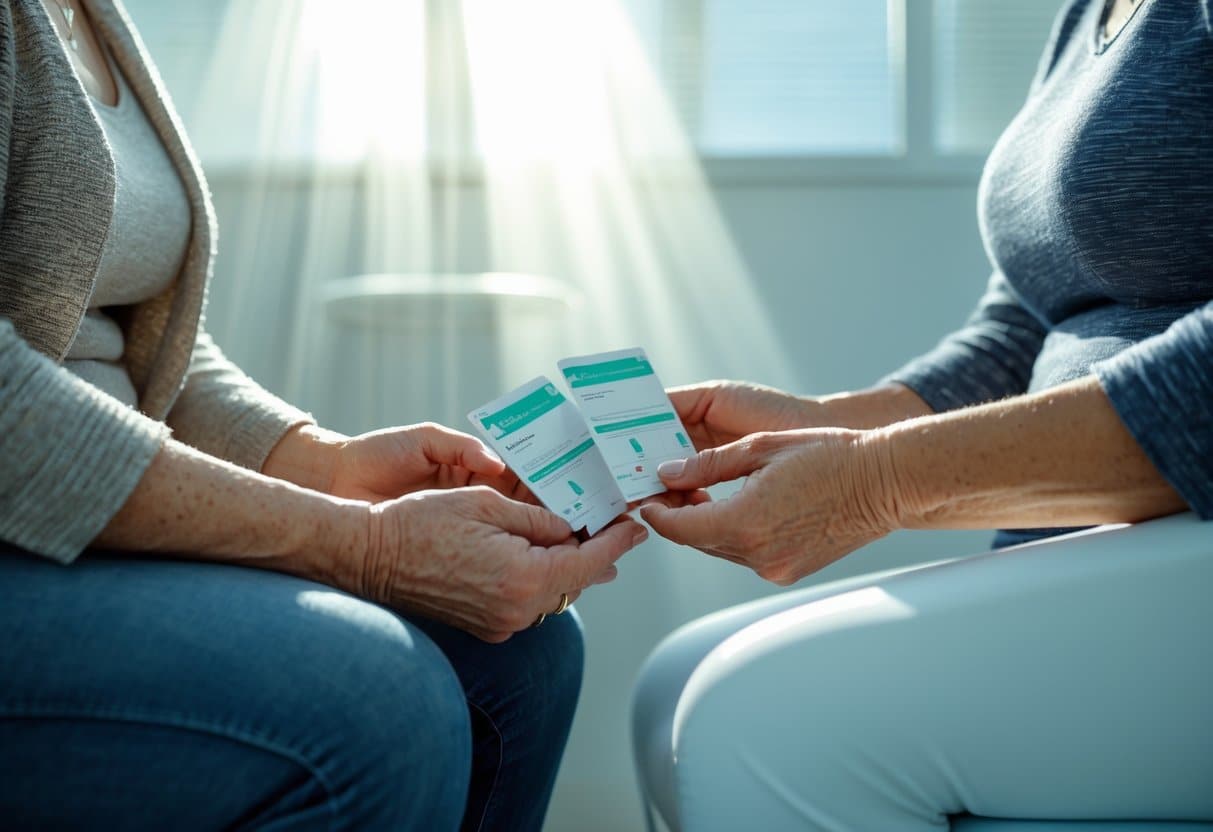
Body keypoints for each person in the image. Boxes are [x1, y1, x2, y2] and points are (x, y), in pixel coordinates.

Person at [0, 1, 648, 829]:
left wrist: (319, 463)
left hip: (86, 534)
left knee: (524, 655)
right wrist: (361, 546)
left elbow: (144, 341)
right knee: (379, 700)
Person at [632, 0, 1213, 829]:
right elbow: (1021, 330)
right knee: (673, 681)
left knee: (759, 718)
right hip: (1105, 558)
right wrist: (818, 426)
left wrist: (872, 484)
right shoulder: (1086, 13)